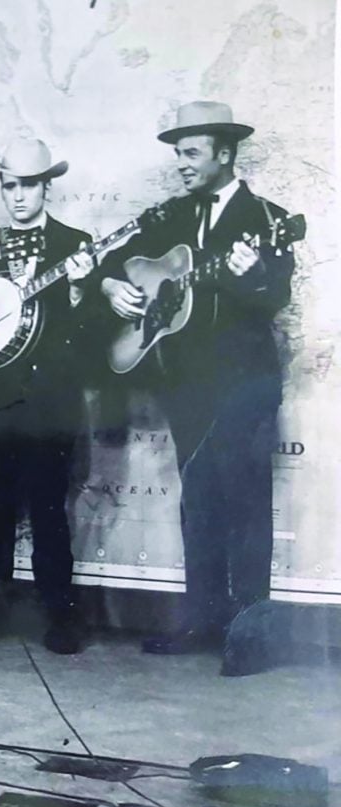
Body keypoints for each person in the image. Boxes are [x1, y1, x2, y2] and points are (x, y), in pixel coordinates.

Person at [93, 101, 294, 662]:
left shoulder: (269, 220)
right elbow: (118, 262)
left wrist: (250, 274)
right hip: (185, 384)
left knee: (246, 507)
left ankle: (252, 639)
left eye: (190, 153)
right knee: (198, 504)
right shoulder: (170, 217)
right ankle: (200, 622)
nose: (180, 163)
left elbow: (274, 295)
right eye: (177, 153)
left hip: (245, 385)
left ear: (224, 154)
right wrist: (113, 287)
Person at [0, 138, 94, 654]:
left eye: (28, 185)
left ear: (46, 187)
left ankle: (61, 616)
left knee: (49, 512)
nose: (17, 196)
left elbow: (91, 332)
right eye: (9, 185)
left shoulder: (77, 244)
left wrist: (79, 290)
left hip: (49, 405)